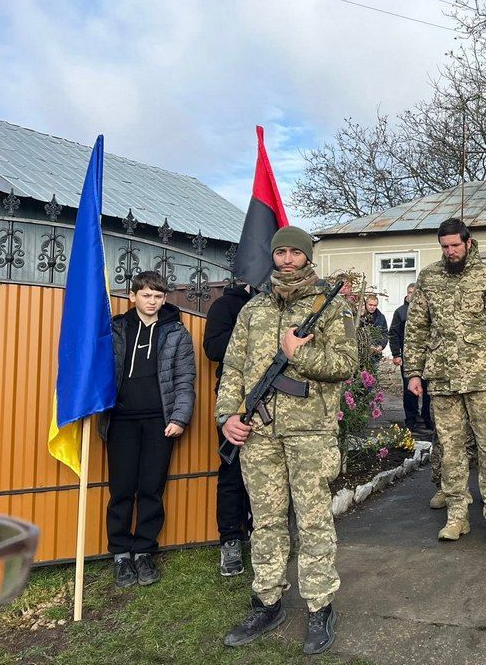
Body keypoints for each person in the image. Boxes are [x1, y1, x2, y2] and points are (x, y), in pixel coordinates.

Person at [217, 227, 357, 655]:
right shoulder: (254, 308)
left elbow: (346, 364)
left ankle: (319, 606)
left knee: (313, 519)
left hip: (310, 433)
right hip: (258, 434)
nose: (288, 260)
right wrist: (227, 416)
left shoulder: (331, 308)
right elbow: (233, 369)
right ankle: (268, 600)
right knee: (267, 520)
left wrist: (300, 355)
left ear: (307, 256)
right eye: (281, 252)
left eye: (296, 252)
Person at [404, 218, 486, 542]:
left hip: (483, 378)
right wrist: (414, 371)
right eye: (445, 247)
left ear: (468, 243)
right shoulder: (429, 277)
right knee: (451, 450)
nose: (450, 252)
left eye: (455, 245)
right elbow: (417, 328)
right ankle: (457, 516)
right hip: (442, 377)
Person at [101, 270, 196, 588]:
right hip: (122, 420)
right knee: (122, 489)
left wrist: (179, 418)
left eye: (158, 296)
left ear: (164, 298)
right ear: (133, 296)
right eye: (146, 295)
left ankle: (143, 552)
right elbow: (97, 368)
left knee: (151, 489)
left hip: (160, 421)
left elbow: (185, 379)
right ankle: (120, 555)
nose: (152, 301)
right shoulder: (117, 328)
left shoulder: (177, 334)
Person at [203, 280, 254, 577]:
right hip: (235, 399)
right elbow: (213, 347)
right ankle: (231, 540)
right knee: (232, 473)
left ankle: (265, 536)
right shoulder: (225, 305)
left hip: (276, 400)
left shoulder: (277, 305)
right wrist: (252, 337)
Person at [390, 283, 432, 431]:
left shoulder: (426, 311)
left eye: (414, 292)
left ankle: (427, 418)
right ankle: (411, 419)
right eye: (409, 292)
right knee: (410, 389)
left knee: (427, 390)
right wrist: (396, 354)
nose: (411, 295)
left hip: (427, 356)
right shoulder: (400, 312)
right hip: (408, 357)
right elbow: (394, 334)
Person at [360, 293, 389, 363]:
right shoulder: (361, 316)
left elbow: (385, 334)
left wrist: (381, 346)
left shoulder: (381, 317)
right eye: (370, 305)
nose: (372, 307)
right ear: (366, 304)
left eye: (374, 305)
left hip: (375, 353)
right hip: (361, 352)